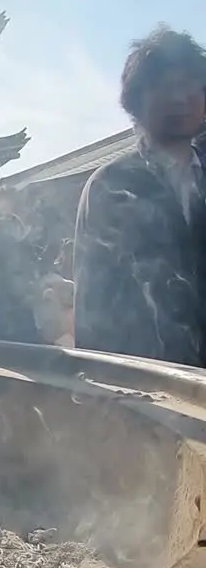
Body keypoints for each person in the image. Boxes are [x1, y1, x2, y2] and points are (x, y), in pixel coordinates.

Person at [74, 26, 206, 366]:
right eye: (164, 87)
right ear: (135, 101)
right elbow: (93, 303)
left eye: (191, 84)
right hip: (154, 382)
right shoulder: (111, 187)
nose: (180, 98)